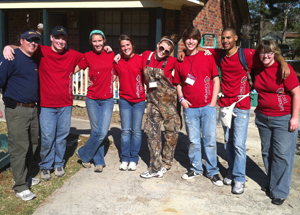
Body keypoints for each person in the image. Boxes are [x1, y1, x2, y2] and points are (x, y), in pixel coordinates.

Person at [179, 27, 290, 194]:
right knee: (229, 142)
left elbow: (268, 53)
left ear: (236, 38)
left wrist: (283, 63)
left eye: (228, 38)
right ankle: (231, 172)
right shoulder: (220, 54)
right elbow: (198, 48)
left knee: (238, 144)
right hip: (225, 104)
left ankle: (239, 178)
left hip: (242, 105)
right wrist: (182, 51)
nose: (225, 41)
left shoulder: (246, 54)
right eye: (223, 38)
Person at [3, 26, 83, 180]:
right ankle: (46, 165)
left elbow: (88, 59)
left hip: (65, 104)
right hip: (46, 104)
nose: (60, 41)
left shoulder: (71, 54)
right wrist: (8, 47)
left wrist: (73, 70)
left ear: (66, 40)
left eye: (63, 38)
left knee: (62, 136)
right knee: (47, 136)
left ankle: (59, 162)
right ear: (52, 38)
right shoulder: (41, 51)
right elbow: (22, 48)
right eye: (57, 37)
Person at [174, 27, 223, 186]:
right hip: (190, 108)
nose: (190, 41)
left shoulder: (207, 56)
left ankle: (212, 171)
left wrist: (213, 101)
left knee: (209, 140)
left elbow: (216, 79)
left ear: (198, 41)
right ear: (184, 40)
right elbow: (179, 83)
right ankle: (196, 168)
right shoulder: (179, 60)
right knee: (194, 141)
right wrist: (181, 99)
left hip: (208, 107)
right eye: (188, 38)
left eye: (194, 38)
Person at [254, 40, 300, 205]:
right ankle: (273, 184)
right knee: (267, 152)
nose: (265, 56)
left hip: (283, 118)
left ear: (275, 54)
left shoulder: (284, 70)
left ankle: (279, 192)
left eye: (270, 53)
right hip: (263, 117)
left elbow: (296, 93)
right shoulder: (257, 66)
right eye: (262, 52)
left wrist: (295, 118)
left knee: (282, 155)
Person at [0, 30, 41, 201]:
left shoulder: (34, 58)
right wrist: (8, 47)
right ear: (22, 40)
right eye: (30, 40)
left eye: (36, 40)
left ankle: (25, 177)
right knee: (19, 147)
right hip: (16, 109)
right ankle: (20, 186)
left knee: (33, 143)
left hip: (32, 109)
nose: (33, 43)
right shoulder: (11, 57)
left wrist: (9, 45)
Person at [75, 30, 115, 173]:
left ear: (104, 41)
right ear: (91, 43)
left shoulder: (111, 54)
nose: (97, 43)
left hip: (107, 99)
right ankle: (99, 161)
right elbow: (75, 69)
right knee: (96, 130)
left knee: (102, 131)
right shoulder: (87, 56)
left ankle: (83, 153)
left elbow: (119, 65)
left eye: (99, 40)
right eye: (94, 41)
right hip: (92, 98)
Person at [113, 35, 146, 171]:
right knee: (126, 131)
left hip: (139, 100)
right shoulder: (117, 61)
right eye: (123, 46)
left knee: (137, 131)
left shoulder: (141, 59)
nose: (126, 48)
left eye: (128, 45)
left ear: (132, 45)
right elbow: (112, 76)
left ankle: (133, 158)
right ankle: (125, 158)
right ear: (120, 48)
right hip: (124, 100)